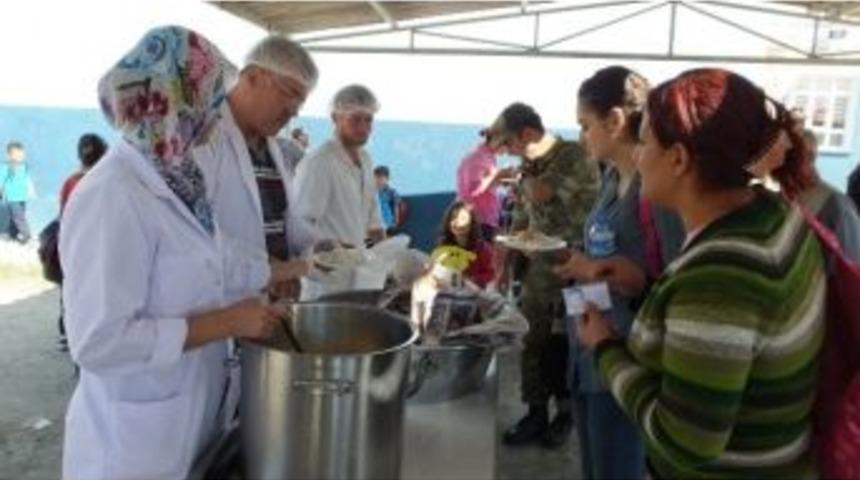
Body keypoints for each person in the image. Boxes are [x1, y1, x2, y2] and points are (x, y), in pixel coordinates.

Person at [60, 26, 288, 479]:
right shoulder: (111, 194)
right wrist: (228, 322)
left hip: (192, 419)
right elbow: (99, 342)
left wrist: (279, 276)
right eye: (210, 97)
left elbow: (213, 258)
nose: (217, 112)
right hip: (132, 447)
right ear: (174, 100)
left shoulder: (178, 175)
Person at [577, 68, 826, 478]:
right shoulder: (772, 215)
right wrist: (645, 285)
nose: (637, 155)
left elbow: (684, 440)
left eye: (643, 142)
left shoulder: (720, 275)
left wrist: (604, 347)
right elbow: (729, 329)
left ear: (678, 159)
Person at [553, 66, 685, 480]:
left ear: (614, 121)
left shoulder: (658, 193)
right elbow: (605, 248)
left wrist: (633, 280)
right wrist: (582, 265)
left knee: (617, 466)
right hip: (590, 343)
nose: (581, 136)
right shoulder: (611, 179)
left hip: (629, 356)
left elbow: (678, 281)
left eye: (586, 125)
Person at [497, 102, 599, 449]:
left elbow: (540, 192)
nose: (508, 153)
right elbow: (525, 216)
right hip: (540, 269)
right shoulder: (531, 166)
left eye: (509, 144)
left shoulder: (572, 155)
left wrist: (522, 175)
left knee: (569, 345)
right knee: (532, 341)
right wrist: (506, 259)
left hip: (578, 267)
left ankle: (566, 415)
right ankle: (536, 413)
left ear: (526, 134)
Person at [194, 35, 317, 298]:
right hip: (221, 308)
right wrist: (272, 270)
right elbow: (193, 232)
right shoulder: (205, 136)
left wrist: (321, 247)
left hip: (267, 308)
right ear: (251, 77)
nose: (294, 111)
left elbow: (286, 222)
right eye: (290, 93)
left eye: (301, 101)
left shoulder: (272, 147)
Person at [748, 127, 860, 262]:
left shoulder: (837, 205)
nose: (781, 163)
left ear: (810, 157)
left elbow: (851, 268)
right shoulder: (773, 201)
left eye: (791, 156)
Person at [293, 84, 385, 247]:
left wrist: (388, 255)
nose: (364, 127)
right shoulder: (320, 162)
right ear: (335, 118)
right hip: (325, 269)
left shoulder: (365, 159)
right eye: (355, 119)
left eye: (369, 119)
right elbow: (300, 224)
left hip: (356, 263)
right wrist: (331, 247)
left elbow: (373, 216)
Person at [54, 133, 108, 351]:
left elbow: (63, 216)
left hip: (73, 251)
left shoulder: (71, 182)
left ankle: (68, 332)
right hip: (99, 251)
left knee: (71, 293)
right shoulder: (108, 182)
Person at [456, 126, 516, 241]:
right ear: (498, 141)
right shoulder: (476, 158)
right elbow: (473, 190)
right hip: (476, 220)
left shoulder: (488, 156)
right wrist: (498, 175)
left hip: (486, 218)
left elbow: (486, 184)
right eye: (507, 145)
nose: (508, 150)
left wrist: (501, 179)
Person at [436, 200, 494, 288]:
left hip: (474, 294)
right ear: (448, 223)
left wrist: (472, 279)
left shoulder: (482, 248)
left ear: (471, 224)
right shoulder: (444, 247)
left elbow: (490, 274)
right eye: (453, 218)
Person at [1, 141, 35, 243]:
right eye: (17, 156)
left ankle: (14, 235)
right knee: (17, 217)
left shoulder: (23, 167)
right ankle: (26, 234)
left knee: (18, 216)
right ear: (9, 155)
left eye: (21, 156)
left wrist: (31, 192)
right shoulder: (6, 167)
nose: (20, 158)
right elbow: (2, 180)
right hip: (12, 197)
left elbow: (27, 180)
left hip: (22, 197)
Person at [374, 165, 402, 234]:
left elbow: (396, 207)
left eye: (381, 178)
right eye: (376, 177)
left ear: (387, 178)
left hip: (387, 221)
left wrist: (396, 221)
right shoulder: (371, 191)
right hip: (374, 221)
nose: (378, 180)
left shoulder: (391, 191)